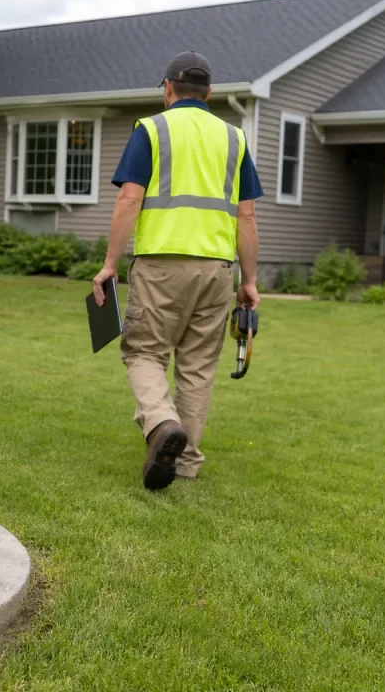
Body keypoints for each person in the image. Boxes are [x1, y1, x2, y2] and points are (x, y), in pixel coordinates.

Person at [92, 51, 262, 491]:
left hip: (162, 265)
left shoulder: (152, 129)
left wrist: (110, 264)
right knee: (198, 368)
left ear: (167, 88)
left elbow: (129, 199)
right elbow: (246, 218)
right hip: (217, 272)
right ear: (209, 92)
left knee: (143, 352)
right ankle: (185, 465)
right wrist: (249, 282)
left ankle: (163, 424)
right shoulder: (234, 138)